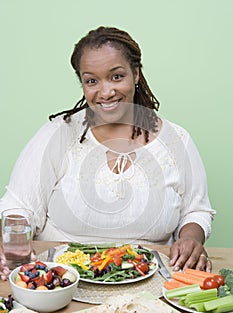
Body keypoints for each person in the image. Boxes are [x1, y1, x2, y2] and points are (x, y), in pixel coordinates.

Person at [0, 26, 215, 280]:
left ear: (135, 74)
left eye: (116, 76)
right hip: (58, 280)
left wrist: (190, 239)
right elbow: (19, 207)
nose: (105, 92)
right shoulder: (58, 135)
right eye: (92, 80)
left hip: (150, 281)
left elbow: (196, 211)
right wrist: (10, 245)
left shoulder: (177, 140)